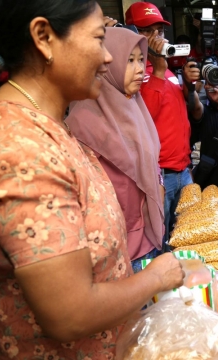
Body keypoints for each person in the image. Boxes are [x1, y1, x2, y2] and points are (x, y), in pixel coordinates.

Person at [0, 1, 184, 358]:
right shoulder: (24, 148)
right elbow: (69, 313)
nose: (109, 57)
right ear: (43, 37)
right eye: (99, 39)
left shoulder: (49, 126)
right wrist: (155, 278)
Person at [66, 27, 164, 273]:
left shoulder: (135, 107)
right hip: (116, 249)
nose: (140, 69)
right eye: (129, 61)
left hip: (149, 238)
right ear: (106, 63)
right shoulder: (83, 120)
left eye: (141, 60)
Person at [125, 1, 199, 249]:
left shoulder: (167, 70)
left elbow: (188, 115)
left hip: (183, 170)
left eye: (160, 30)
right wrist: (157, 69)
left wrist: (189, 87)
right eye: (148, 30)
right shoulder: (131, 72)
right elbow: (142, 119)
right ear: (131, 33)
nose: (156, 37)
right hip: (159, 176)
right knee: (159, 241)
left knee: (189, 236)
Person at [188, 68, 218, 188]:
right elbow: (195, 105)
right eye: (210, 82)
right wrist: (190, 82)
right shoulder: (205, 112)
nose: (215, 84)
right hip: (209, 183)